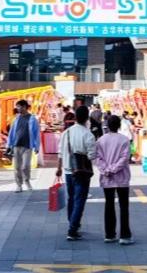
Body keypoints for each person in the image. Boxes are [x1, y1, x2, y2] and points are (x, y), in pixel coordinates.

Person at [55, 105, 97, 241]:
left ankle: (73, 223)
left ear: (75, 117)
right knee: (79, 200)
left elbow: (60, 152)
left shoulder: (66, 133)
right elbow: (92, 155)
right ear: (87, 118)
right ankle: (72, 229)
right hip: (82, 172)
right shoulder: (88, 134)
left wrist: (59, 168)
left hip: (68, 170)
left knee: (71, 198)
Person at [95, 115, 133, 245]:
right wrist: (114, 169)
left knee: (109, 204)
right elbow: (124, 158)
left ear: (107, 126)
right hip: (122, 177)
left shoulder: (101, 140)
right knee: (124, 206)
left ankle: (109, 234)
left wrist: (106, 170)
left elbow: (98, 158)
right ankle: (125, 235)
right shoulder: (125, 140)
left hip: (107, 177)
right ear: (119, 126)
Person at [6, 99, 40, 193]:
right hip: (16, 145)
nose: (17, 109)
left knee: (25, 166)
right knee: (17, 167)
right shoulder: (16, 119)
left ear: (24, 107)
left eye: (19, 107)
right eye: (17, 107)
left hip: (27, 146)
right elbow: (11, 132)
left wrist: (37, 146)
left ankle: (27, 181)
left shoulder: (32, 119)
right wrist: (9, 145)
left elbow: (36, 133)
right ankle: (19, 185)